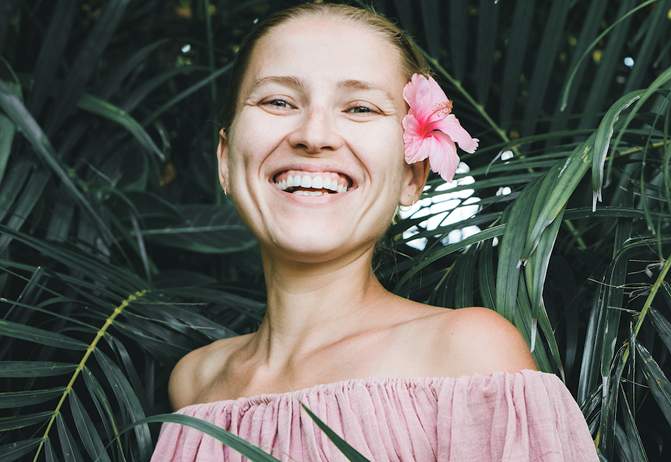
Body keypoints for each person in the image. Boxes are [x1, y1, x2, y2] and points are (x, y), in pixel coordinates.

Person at [150, 3, 598, 461]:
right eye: (278, 101)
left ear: (412, 176)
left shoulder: (466, 353)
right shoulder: (195, 383)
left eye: (360, 107)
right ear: (225, 161)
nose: (314, 134)